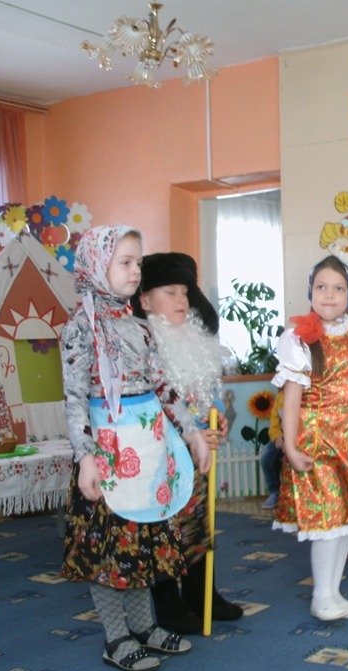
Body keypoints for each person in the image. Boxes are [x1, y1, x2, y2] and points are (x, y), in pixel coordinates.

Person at [60, 226, 210, 671]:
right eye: (124, 262)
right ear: (96, 266)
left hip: (147, 453)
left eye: (137, 263)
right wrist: (85, 457)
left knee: (143, 544)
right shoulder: (81, 328)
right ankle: (117, 637)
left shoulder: (140, 328)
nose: (134, 271)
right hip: (108, 457)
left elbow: (162, 387)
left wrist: (191, 431)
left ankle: (144, 627)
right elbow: (74, 399)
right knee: (110, 551)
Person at [131, 252, 244, 633]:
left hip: (198, 456)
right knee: (163, 529)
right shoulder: (140, 346)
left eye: (184, 292)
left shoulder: (196, 339)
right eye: (170, 293)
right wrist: (184, 434)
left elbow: (209, 395)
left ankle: (201, 594)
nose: (181, 300)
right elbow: (147, 405)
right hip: (159, 457)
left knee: (197, 526)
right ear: (145, 300)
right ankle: (168, 604)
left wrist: (217, 420)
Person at [272, 254, 348, 621]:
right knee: (327, 519)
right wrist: (291, 445)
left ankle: (332, 592)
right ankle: (322, 594)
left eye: (338, 288)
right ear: (311, 291)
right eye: (321, 287)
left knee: (344, 520)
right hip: (317, 442)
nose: (328, 294)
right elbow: (292, 398)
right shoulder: (300, 339)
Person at [260, 390, 285, 510]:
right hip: (281, 437)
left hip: (298, 437)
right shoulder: (280, 397)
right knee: (266, 459)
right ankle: (275, 492)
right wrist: (277, 436)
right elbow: (274, 420)